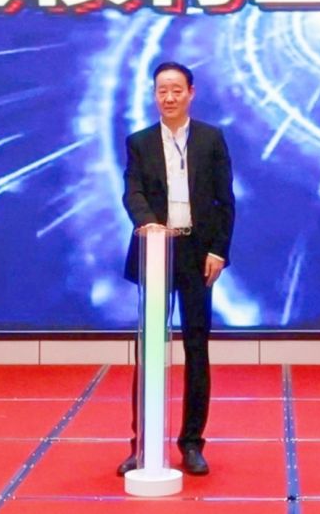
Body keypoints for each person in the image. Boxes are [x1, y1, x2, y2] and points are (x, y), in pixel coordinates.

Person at [118, 62, 236, 477]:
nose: (168, 97)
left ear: (191, 93)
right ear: (154, 95)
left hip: (197, 252)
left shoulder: (211, 138)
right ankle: (143, 444)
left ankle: (191, 442)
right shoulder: (139, 142)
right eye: (161, 90)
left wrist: (219, 250)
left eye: (176, 90)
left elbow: (225, 200)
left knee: (196, 348)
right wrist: (148, 224)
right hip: (156, 249)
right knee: (149, 348)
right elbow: (132, 191)